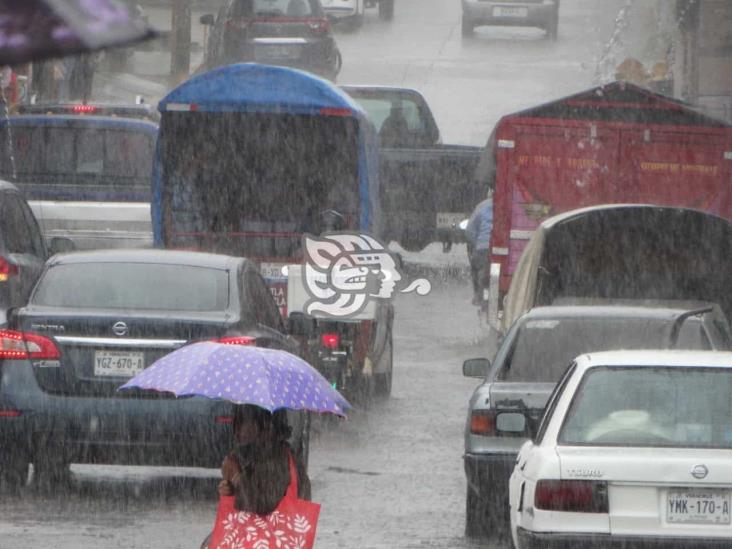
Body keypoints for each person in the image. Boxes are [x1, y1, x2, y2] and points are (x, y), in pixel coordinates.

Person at [218, 405, 311, 513]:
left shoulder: (278, 459)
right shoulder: (250, 455)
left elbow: (263, 507)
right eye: (235, 419)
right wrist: (229, 490)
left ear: (265, 425)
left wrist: (238, 480)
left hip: (275, 528)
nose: (236, 427)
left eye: (242, 420)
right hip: (258, 528)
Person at [465, 190, 493, 306]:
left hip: (482, 248)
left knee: (476, 268)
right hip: (499, 247)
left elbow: (469, 230)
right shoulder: (506, 205)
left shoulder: (481, 206)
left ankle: (478, 296)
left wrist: (477, 244)